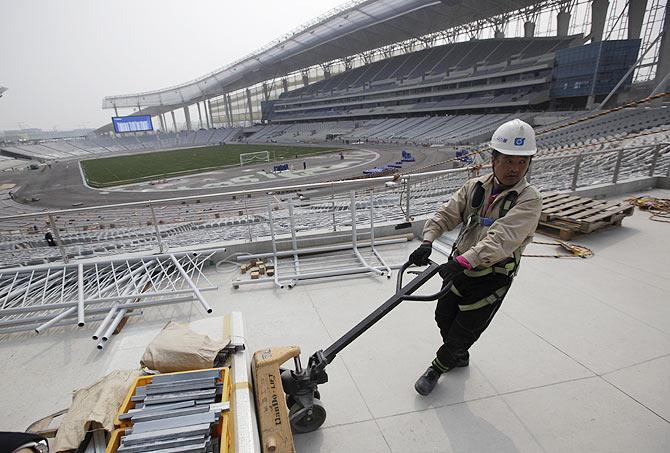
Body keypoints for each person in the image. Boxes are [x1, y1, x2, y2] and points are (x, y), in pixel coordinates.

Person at [408, 118, 542, 396]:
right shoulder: (476, 187)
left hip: (491, 277)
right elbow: (447, 213)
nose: (514, 169)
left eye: (521, 162)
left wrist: (462, 262)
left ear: (529, 163)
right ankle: (457, 353)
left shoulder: (529, 199)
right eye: (507, 161)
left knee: (464, 331)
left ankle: (438, 367)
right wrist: (427, 241)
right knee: (443, 315)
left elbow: (502, 239)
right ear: (493, 158)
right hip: (460, 268)